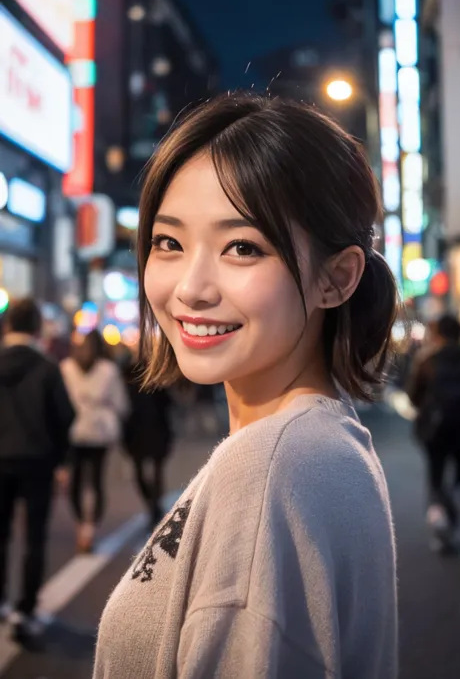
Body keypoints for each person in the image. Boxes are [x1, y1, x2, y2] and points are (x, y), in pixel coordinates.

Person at [93, 94, 398, 679]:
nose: (190, 289)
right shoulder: (322, 445)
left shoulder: (270, 470)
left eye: (242, 247)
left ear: (337, 278)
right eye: (169, 243)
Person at [0, 298, 74, 649]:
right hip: (37, 461)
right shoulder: (46, 367)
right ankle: (24, 610)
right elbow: (65, 416)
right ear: (35, 328)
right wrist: (60, 460)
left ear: (7, 326)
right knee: (34, 538)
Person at [407, 314, 460, 552]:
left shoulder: (427, 360)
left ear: (439, 335)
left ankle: (439, 522)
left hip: (434, 431)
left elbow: (413, 397)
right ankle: (455, 515)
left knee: (436, 475)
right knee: (459, 473)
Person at [61, 330, 129, 553]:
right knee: (94, 481)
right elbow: (120, 404)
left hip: (76, 430)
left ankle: (84, 525)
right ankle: (88, 527)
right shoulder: (108, 370)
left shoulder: (66, 368)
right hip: (97, 432)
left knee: (78, 482)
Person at [121, 352, 174, 529]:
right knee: (147, 473)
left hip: (149, 431)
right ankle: (154, 506)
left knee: (148, 473)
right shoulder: (130, 380)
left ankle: (154, 508)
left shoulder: (154, 381)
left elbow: (167, 404)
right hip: (145, 431)